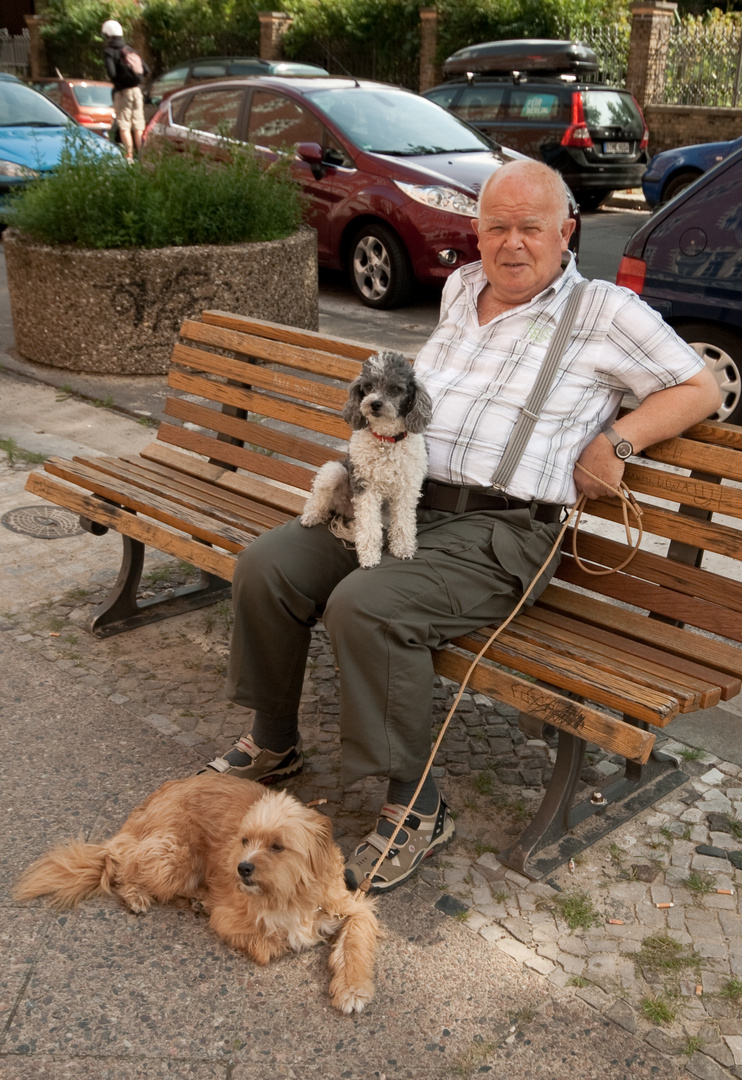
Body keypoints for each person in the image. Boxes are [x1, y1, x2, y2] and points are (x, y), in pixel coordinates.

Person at [203, 159, 721, 894]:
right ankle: (276, 742)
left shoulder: (603, 310)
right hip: (401, 500)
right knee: (268, 564)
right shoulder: (460, 288)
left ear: (566, 231)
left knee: (366, 606)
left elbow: (700, 384)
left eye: (530, 228)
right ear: (476, 231)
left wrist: (620, 441)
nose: (512, 245)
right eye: (496, 227)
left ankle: (414, 806)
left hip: (501, 532)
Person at [101, 19, 149, 161]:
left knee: (124, 126)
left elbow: (112, 73)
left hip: (123, 93)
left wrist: (120, 82)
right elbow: (146, 70)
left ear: (107, 35)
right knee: (138, 125)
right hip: (137, 91)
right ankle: (143, 158)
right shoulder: (130, 50)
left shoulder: (109, 52)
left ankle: (129, 158)